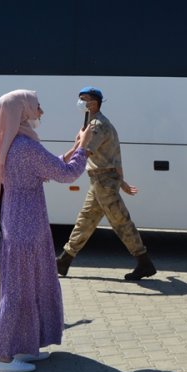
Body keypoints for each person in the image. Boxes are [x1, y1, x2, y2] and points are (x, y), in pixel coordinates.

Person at [0, 90, 91, 372]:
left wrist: (71, 150)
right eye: (35, 107)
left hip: (20, 224)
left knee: (27, 288)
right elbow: (66, 174)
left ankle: (24, 347)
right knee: (18, 292)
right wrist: (83, 148)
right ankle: (3, 358)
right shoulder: (25, 147)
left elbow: (47, 168)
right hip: (27, 227)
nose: (40, 112)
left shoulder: (14, 143)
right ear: (21, 111)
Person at [56, 87, 156, 280]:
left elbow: (85, 152)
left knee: (121, 222)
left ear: (93, 103)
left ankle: (144, 262)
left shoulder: (97, 126)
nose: (80, 103)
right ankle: (64, 261)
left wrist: (76, 143)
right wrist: (122, 181)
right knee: (85, 221)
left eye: (83, 100)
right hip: (100, 180)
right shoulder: (97, 123)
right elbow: (115, 156)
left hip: (103, 181)